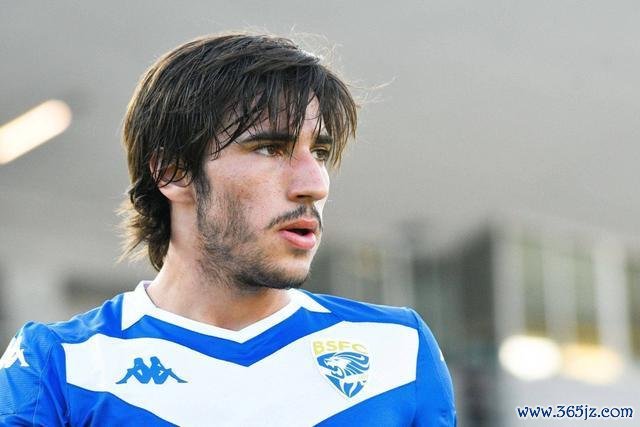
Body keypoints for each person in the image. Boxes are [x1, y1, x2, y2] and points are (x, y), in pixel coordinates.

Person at [0, 33, 456, 426]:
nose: (314, 184)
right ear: (173, 172)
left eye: (319, 152)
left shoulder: (399, 352)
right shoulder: (59, 365)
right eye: (270, 148)